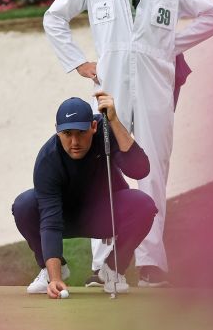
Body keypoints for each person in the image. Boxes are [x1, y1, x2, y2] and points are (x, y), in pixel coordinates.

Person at [43, 0, 213, 288]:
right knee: (104, 169)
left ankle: (151, 262)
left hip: (156, 87)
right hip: (110, 91)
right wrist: (78, 62)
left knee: (154, 169)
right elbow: (54, 17)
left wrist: (169, 46)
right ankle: (101, 266)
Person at [12, 94, 156, 297]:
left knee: (144, 205)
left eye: (81, 133)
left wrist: (114, 120)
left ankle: (113, 270)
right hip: (64, 216)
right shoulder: (48, 160)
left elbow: (140, 170)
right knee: (24, 205)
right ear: (57, 131)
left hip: (103, 214)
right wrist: (55, 278)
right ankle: (51, 270)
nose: (74, 141)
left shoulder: (106, 133)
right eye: (67, 133)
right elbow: (50, 221)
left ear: (93, 127)